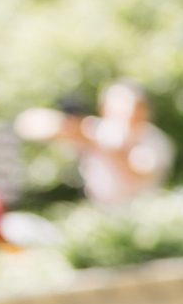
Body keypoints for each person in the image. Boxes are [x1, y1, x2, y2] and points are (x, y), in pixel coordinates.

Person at [14, 82, 173, 210]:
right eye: (121, 105)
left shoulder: (154, 140)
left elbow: (140, 172)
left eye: (134, 106)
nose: (129, 111)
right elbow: (26, 124)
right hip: (100, 213)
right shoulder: (94, 129)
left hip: (142, 213)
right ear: (104, 109)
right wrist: (65, 125)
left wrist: (108, 147)